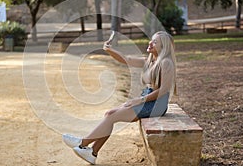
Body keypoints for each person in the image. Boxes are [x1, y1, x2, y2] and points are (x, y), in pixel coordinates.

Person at [62, 31, 176, 165]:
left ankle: (83, 143)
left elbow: (163, 91)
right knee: (110, 114)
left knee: (112, 116)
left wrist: (139, 100)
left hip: (157, 105)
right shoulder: (150, 61)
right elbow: (126, 59)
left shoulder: (166, 63)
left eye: (155, 42)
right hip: (147, 99)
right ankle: (92, 153)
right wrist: (109, 50)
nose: (150, 43)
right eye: (151, 40)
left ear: (164, 47)